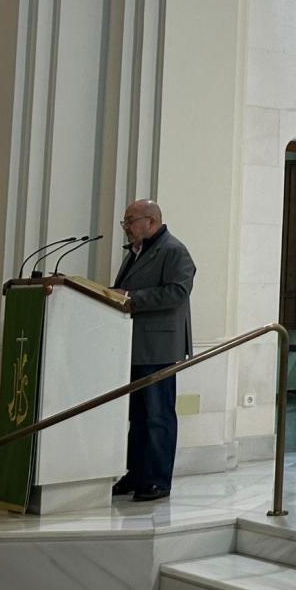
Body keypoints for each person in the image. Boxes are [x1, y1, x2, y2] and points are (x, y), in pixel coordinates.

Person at [111, 199, 195, 502]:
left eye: (130, 221)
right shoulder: (136, 252)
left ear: (151, 220)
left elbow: (177, 292)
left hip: (159, 347)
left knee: (158, 416)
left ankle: (158, 480)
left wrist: (130, 297)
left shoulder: (174, 250)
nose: (126, 227)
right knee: (138, 417)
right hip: (134, 345)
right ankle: (135, 475)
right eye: (125, 222)